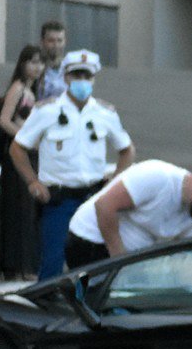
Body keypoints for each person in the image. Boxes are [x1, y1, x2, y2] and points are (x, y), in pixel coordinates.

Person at [10, 49, 134, 278]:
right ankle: (47, 310)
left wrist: (114, 182)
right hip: (58, 200)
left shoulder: (104, 113)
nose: (82, 81)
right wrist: (32, 182)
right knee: (52, 264)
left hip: (93, 199)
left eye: (87, 76)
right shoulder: (47, 111)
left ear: (94, 79)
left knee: (94, 263)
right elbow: (18, 147)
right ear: (66, 78)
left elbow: (127, 150)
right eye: (77, 75)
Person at [63, 161, 192, 269]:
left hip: (133, 257)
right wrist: (119, 260)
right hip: (91, 240)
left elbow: (182, 252)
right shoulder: (158, 177)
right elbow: (104, 205)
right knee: (98, 301)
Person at [0, 44, 44, 282]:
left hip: (30, 155)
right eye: (32, 62)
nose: (37, 67)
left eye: (39, 62)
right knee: (18, 210)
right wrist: (24, 137)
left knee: (29, 211)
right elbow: (3, 121)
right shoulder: (18, 89)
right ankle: (16, 266)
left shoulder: (33, 91)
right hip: (17, 156)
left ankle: (26, 265)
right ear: (22, 64)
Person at [36, 20, 69, 102]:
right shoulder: (34, 68)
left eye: (59, 40)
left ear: (65, 42)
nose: (56, 45)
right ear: (42, 42)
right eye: (51, 40)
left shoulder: (71, 68)